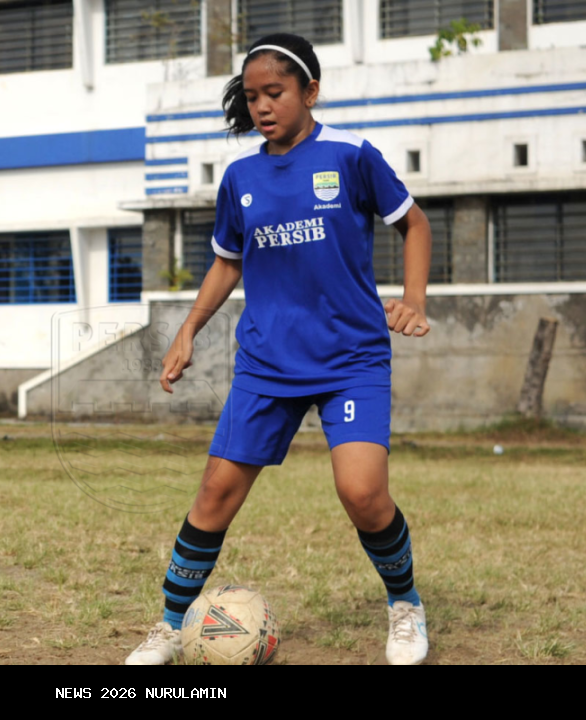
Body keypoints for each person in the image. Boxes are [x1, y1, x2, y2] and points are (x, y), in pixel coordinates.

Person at [125, 33, 434, 666]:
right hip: (267, 363)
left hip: (352, 358)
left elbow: (415, 224)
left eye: (276, 92)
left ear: (309, 91)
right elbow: (225, 264)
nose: (262, 106)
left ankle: (405, 606)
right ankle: (167, 626)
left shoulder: (352, 155)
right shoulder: (240, 177)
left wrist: (414, 299)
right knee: (215, 494)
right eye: (252, 95)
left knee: (362, 493)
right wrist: (188, 330)